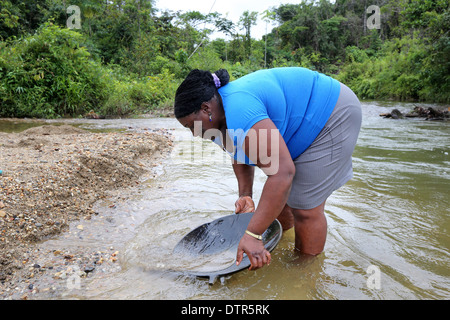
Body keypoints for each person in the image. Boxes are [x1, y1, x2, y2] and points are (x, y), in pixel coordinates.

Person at [174, 67, 362, 271]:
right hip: (298, 125)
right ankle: (283, 246)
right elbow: (238, 154)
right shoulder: (215, 123)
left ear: (205, 108)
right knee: (277, 205)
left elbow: (282, 173)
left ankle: (306, 272)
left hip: (330, 113)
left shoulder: (239, 110)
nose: (194, 134)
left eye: (191, 126)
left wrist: (253, 234)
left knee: (305, 207)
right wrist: (245, 195)